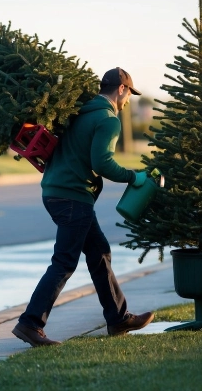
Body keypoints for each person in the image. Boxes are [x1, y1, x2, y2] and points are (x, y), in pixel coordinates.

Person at [12, 67, 155, 347]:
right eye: (128, 95)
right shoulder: (107, 119)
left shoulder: (80, 112)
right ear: (122, 89)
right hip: (72, 196)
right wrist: (134, 176)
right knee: (65, 261)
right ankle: (30, 323)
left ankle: (118, 318)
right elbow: (102, 163)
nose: (128, 102)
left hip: (57, 192)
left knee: (99, 253)